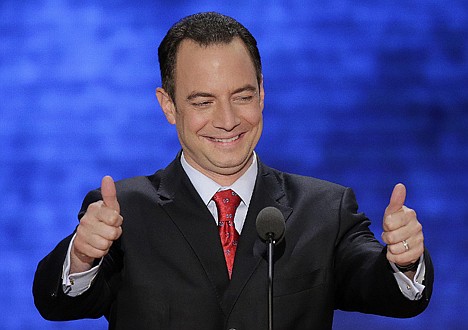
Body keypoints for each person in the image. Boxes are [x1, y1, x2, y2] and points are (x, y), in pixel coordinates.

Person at [33, 12, 433, 329]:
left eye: (242, 96)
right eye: (203, 102)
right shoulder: (124, 212)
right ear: (168, 106)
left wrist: (403, 262)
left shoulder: (325, 208)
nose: (227, 120)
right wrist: (83, 257)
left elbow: (386, 291)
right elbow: (58, 305)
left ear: (262, 91)